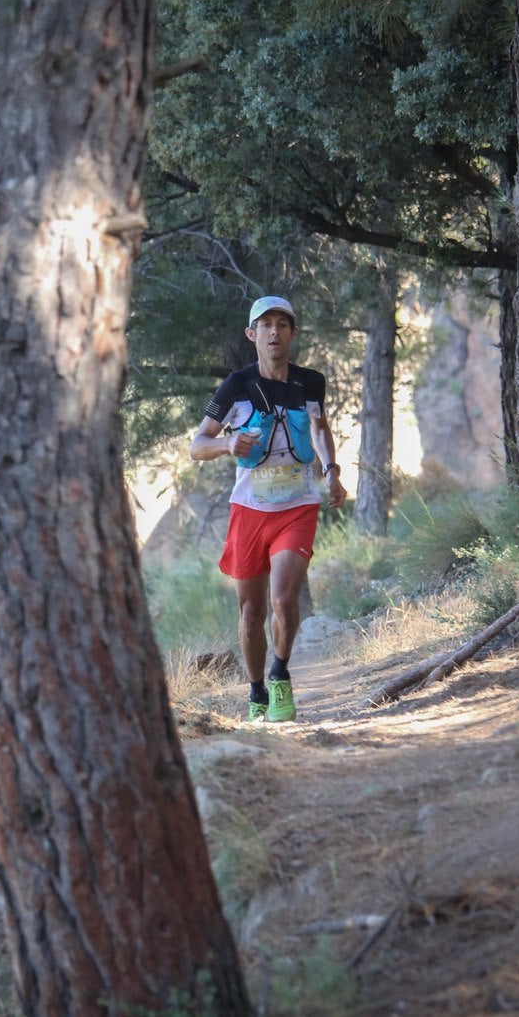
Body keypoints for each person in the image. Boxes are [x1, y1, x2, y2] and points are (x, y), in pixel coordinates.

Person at [190, 295, 346, 722]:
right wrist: (225, 444)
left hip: (298, 504)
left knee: (282, 598)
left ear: (293, 333)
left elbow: (319, 426)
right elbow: (197, 445)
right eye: (266, 325)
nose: (274, 332)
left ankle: (280, 673)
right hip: (250, 508)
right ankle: (257, 691)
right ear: (252, 334)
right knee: (251, 610)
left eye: (282, 324)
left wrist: (331, 470)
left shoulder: (310, 382)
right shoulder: (235, 386)